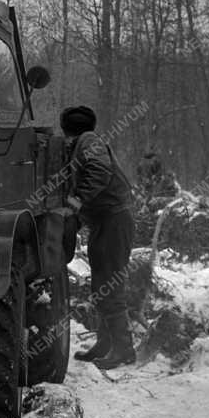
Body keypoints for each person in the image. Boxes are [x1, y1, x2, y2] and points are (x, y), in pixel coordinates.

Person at [61, 105, 136, 369]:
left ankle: (124, 349)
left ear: (66, 129)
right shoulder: (84, 142)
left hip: (114, 220)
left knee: (110, 284)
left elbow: (100, 172)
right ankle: (106, 344)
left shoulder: (87, 141)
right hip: (105, 220)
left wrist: (75, 202)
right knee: (102, 285)